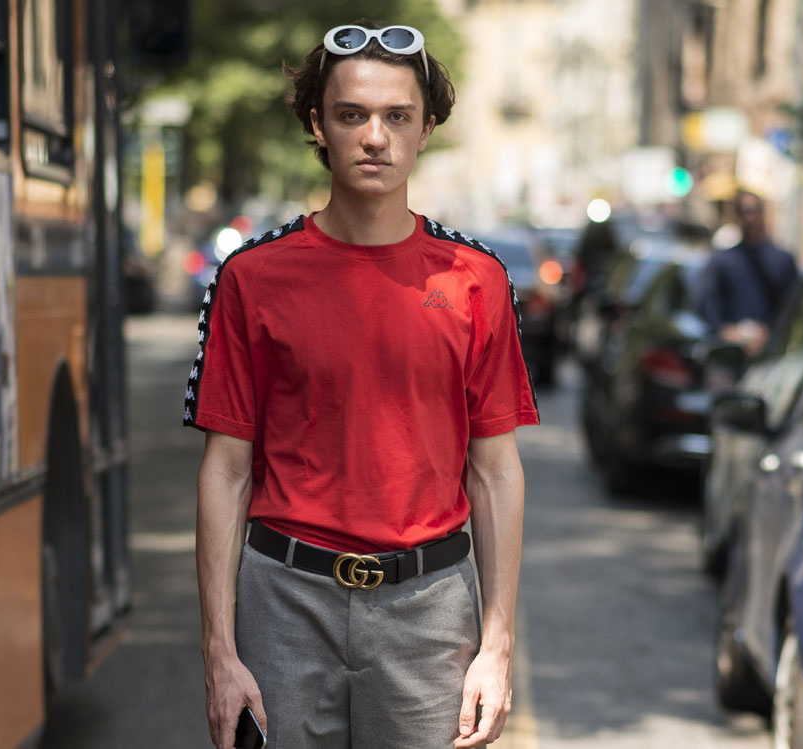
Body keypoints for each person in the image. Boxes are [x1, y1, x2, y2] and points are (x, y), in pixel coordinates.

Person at [183, 21, 539, 748]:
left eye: (396, 117)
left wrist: (496, 645)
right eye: (352, 115)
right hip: (282, 602)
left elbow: (495, 468)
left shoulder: (476, 280)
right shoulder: (252, 277)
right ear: (319, 124)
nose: (374, 136)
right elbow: (225, 468)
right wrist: (220, 651)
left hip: (430, 608)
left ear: (426, 129)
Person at [698, 190, 799, 357]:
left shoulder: (782, 260)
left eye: (754, 210)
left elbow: (793, 307)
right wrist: (730, 333)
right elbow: (707, 305)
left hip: (771, 356)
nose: (749, 217)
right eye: (743, 211)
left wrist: (768, 334)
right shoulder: (722, 260)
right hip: (728, 356)